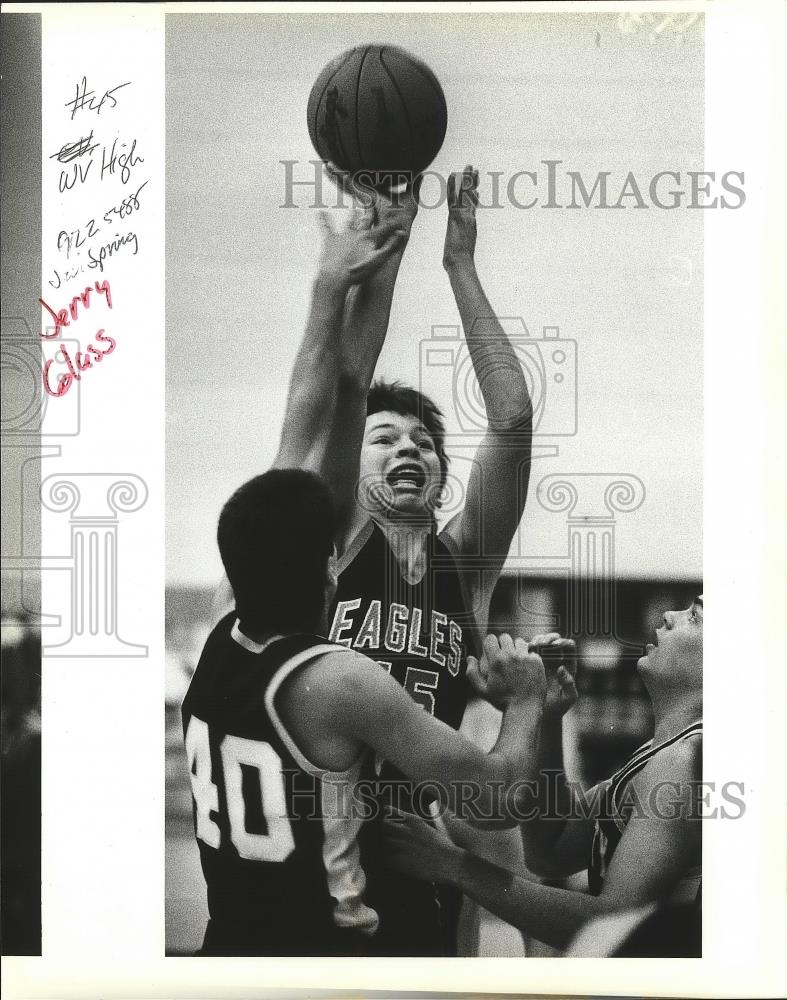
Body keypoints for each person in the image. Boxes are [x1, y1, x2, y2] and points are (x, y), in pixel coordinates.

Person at [214, 163, 534, 954]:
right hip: (320, 833)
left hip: (413, 844)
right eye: (386, 438)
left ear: (440, 474)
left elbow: (514, 416)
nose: (410, 448)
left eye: (425, 442)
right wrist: (384, 246)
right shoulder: (331, 547)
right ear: (352, 464)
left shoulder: (466, 566)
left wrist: (460, 267)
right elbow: (347, 384)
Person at [182, 469, 548, 956]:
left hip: (230, 944)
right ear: (331, 567)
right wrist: (526, 700)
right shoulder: (341, 679)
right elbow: (497, 801)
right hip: (331, 959)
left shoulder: (218, 642)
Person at [383, 598, 704, 955]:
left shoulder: (683, 759)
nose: (669, 616)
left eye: (694, 616)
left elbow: (611, 924)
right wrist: (548, 718)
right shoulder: (662, 751)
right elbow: (551, 847)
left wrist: (454, 865)